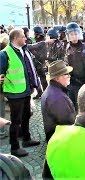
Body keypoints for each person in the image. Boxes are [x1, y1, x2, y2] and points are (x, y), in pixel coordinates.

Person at [0, 28, 40, 157]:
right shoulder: (4, 54)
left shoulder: (23, 50)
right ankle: (14, 147)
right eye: (23, 36)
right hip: (14, 93)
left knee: (27, 115)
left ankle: (26, 139)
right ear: (15, 38)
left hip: (25, 90)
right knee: (15, 120)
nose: (26, 38)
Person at [64, 22, 85, 110]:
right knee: (72, 108)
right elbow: (66, 64)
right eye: (71, 34)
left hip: (82, 84)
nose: (74, 36)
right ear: (68, 35)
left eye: (75, 34)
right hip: (71, 84)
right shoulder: (68, 47)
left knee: (83, 109)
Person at [41, 60, 76, 142]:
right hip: (60, 140)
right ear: (57, 78)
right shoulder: (58, 97)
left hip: (55, 135)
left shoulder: (52, 90)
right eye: (66, 74)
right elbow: (69, 123)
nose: (69, 76)